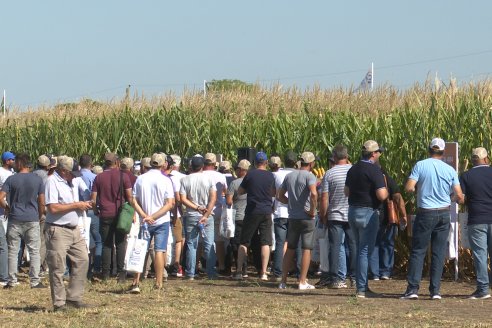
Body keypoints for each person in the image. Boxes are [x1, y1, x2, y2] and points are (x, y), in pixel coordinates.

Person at [401, 138, 464, 300]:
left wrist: (417, 189)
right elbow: (459, 195)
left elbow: (408, 187)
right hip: (443, 213)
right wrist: (449, 198)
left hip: (426, 212)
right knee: (438, 252)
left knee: (418, 251)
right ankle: (435, 291)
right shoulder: (449, 170)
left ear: (429, 149)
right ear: (442, 152)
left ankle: (413, 289)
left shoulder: (421, 165)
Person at [44, 156, 93, 311]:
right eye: (72, 173)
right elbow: (52, 208)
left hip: (74, 228)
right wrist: (76, 205)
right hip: (57, 229)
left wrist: (84, 204)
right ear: (64, 171)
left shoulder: (72, 181)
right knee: (57, 267)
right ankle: (59, 303)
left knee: (83, 259)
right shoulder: (51, 182)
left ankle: (73, 297)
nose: (75, 177)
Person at [345, 140, 388, 298]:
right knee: (364, 251)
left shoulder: (353, 169)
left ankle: (362, 285)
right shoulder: (374, 170)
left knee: (358, 249)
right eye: (378, 152)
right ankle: (362, 289)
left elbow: (346, 192)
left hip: (352, 211)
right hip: (368, 212)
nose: (379, 155)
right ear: (373, 154)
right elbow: (381, 195)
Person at [129, 153, 175, 292]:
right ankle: (158, 282)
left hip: (145, 221)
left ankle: (136, 281)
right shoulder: (165, 180)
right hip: (161, 220)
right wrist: (154, 216)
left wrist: (144, 215)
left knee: (141, 249)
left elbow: (133, 200)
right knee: (160, 250)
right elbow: (169, 204)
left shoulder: (140, 179)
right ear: (163, 164)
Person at [0, 153, 46, 289]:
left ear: (18, 164)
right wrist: (39, 214)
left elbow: (0, 197)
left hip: (15, 218)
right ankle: (35, 281)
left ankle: (12, 280)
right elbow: (42, 201)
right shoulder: (37, 180)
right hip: (32, 218)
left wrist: (7, 208)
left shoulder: (11, 179)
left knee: (13, 251)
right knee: (34, 250)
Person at [277, 152, 318, 290]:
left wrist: (290, 203)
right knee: (307, 248)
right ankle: (302, 281)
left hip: (293, 217)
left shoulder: (290, 176)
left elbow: (279, 195)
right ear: (311, 163)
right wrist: (312, 210)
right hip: (306, 218)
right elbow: (313, 193)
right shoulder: (310, 176)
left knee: (290, 248)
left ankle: (283, 280)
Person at [91, 153, 133, 282]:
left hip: (105, 214)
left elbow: (93, 199)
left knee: (106, 244)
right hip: (120, 214)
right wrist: (132, 212)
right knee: (120, 243)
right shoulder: (124, 176)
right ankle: (121, 274)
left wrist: (96, 210)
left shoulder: (99, 177)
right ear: (117, 162)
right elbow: (130, 197)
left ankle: (105, 274)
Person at [319, 145, 356, 289]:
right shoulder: (354, 170)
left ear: (334, 157)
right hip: (351, 213)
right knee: (353, 246)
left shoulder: (329, 173)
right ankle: (354, 278)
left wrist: (323, 215)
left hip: (335, 214)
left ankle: (337, 279)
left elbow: (324, 198)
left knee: (336, 246)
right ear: (347, 156)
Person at [234, 152, 275, 281]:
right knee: (265, 242)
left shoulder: (250, 174)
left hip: (252, 210)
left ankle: (239, 271)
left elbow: (240, 191)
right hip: (266, 211)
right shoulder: (270, 175)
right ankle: (263, 272)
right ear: (266, 163)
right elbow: (273, 192)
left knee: (244, 241)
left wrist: (250, 190)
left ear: (255, 163)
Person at [459, 147, 492, 299]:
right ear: (486, 159)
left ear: (473, 160)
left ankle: (483, 289)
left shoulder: (466, 176)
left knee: (480, 254)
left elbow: (461, 198)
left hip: (477, 219)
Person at [179, 156, 217, 280]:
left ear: (191, 167)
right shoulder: (209, 179)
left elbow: (183, 199)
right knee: (209, 243)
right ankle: (210, 272)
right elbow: (213, 199)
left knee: (191, 244)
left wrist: (196, 208)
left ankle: (190, 273)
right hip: (207, 215)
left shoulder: (185, 180)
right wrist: (205, 214)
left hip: (191, 215)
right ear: (202, 166)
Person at [369, 168, 407, 280]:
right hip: (389, 217)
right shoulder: (390, 181)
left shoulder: (370, 182)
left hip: (373, 216)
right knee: (387, 244)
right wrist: (403, 215)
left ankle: (374, 272)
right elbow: (398, 198)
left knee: (374, 244)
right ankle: (385, 271)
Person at [271, 152, 296, 281]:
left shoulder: (276, 175)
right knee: (293, 243)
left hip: (280, 212)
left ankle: (278, 272)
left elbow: (273, 193)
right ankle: (293, 269)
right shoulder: (297, 174)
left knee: (280, 243)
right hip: (294, 213)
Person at [202, 153, 228, 275]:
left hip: (202, 210)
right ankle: (221, 265)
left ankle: (200, 265)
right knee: (219, 240)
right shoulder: (220, 176)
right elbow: (225, 191)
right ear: (214, 163)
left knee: (201, 241)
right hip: (217, 209)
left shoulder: (199, 175)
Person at [226, 159, 251, 278]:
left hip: (238, 217)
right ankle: (246, 269)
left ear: (240, 170)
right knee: (246, 243)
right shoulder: (252, 182)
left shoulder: (234, 183)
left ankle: (239, 269)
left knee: (236, 244)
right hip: (249, 216)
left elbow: (229, 201)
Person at [79, 154, 102, 278]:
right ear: (91, 164)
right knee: (98, 240)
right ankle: (96, 267)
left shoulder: (74, 176)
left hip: (77, 210)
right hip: (91, 210)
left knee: (83, 240)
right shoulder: (94, 177)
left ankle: (83, 268)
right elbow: (95, 196)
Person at [168, 154, 186, 277]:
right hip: (177, 212)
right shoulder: (183, 177)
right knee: (179, 239)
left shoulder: (163, 177)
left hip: (159, 213)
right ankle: (176, 263)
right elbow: (179, 198)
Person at [0, 151, 14, 286]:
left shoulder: (13, 172)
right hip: (2, 211)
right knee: (3, 242)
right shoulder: (1, 172)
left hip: (9, 210)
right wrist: (5, 206)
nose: (13, 161)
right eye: (12, 160)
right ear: (7, 161)